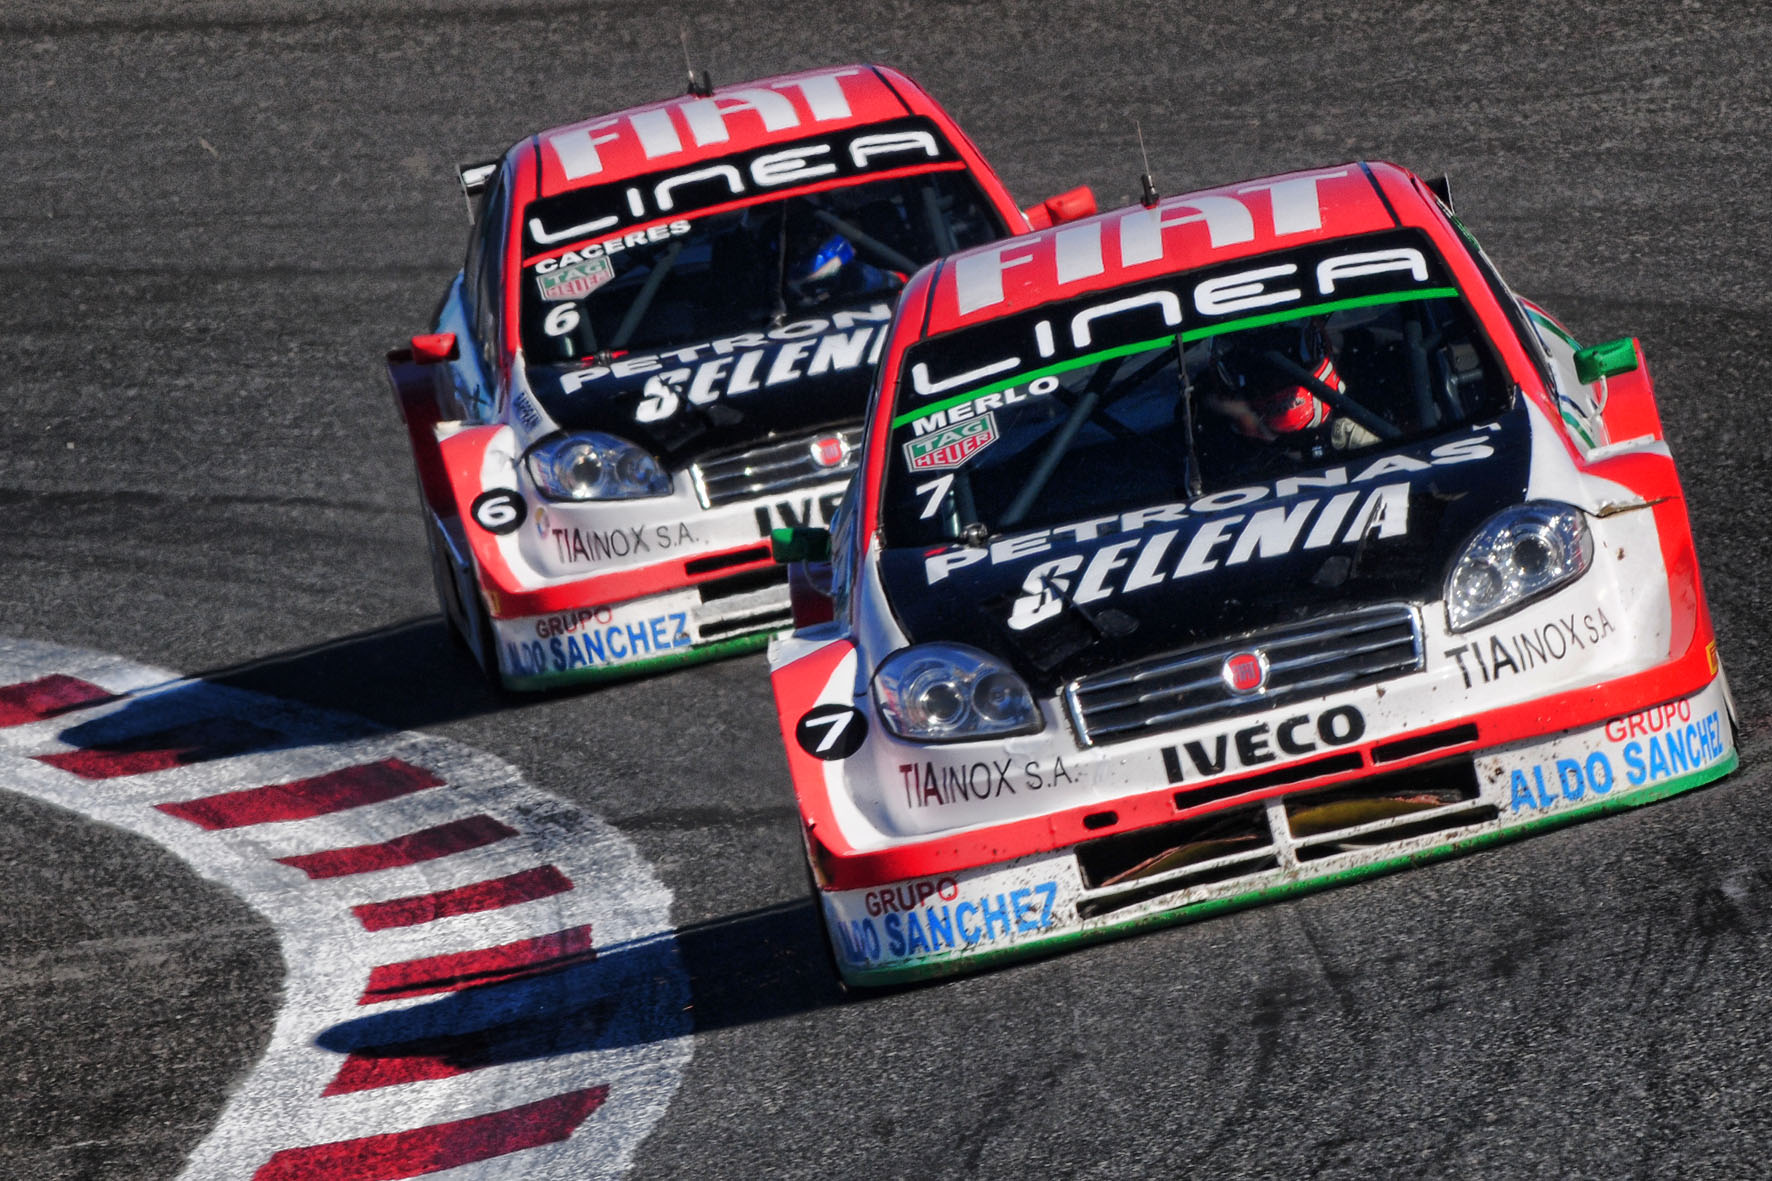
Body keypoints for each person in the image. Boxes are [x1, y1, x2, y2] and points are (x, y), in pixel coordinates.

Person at [1200, 320, 1378, 452]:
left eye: (1289, 361)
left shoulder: (1370, 375)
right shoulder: (1210, 440)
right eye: (1262, 374)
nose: (1277, 379)